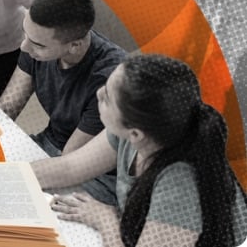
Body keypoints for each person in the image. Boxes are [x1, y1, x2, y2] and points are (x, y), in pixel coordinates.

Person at [32, 54, 247, 247]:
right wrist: (8, 174)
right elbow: (70, 167)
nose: (98, 93)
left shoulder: (180, 186)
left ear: (136, 134)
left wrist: (105, 218)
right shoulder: (136, 131)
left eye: (107, 97)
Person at [0, 0, 126, 204]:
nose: (24, 47)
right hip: (50, 145)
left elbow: (70, 162)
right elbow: (8, 107)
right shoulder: (36, 45)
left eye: (37, 44)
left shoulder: (109, 81)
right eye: (25, 34)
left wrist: (5, 177)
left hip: (92, 173)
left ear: (74, 46)